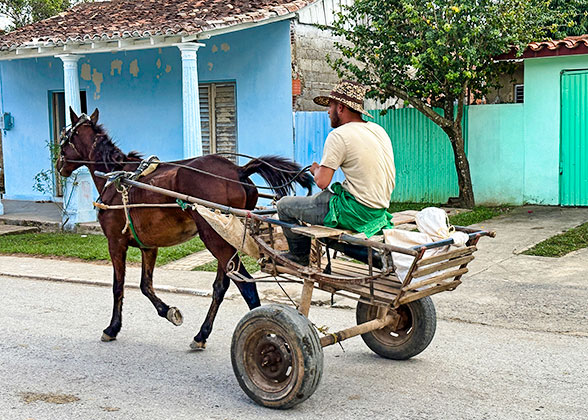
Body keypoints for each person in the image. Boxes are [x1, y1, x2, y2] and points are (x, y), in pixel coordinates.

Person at [277, 80, 396, 265]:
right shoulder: (377, 130)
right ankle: (374, 259)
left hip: (355, 210)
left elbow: (322, 182)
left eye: (330, 106)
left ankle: (299, 256)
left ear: (340, 108)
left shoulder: (339, 135)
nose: (327, 112)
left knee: (284, 205)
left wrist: (316, 169)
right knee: (323, 224)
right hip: (379, 210)